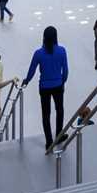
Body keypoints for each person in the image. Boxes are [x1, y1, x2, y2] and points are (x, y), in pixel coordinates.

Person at [22, 25, 69, 153]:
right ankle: (59, 135)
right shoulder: (62, 50)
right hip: (58, 85)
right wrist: (62, 81)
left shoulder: (39, 53)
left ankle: (49, 141)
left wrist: (26, 81)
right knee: (59, 110)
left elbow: (32, 70)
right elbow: (65, 70)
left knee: (46, 114)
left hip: (44, 87)